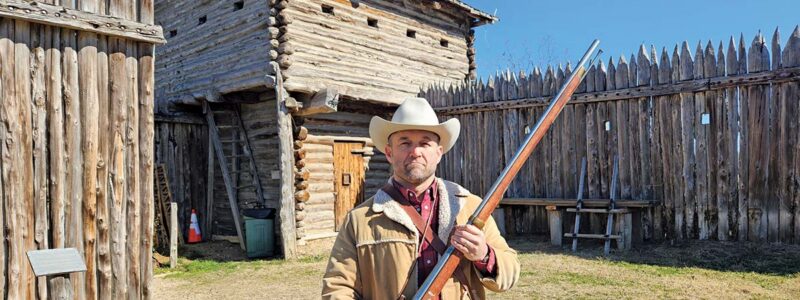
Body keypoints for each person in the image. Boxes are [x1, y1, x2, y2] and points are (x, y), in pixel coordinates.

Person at [322, 97, 520, 299]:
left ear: (439, 153)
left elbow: (510, 270)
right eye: (405, 143)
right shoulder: (359, 220)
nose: (415, 152)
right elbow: (338, 288)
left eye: (424, 143)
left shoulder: (471, 207)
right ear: (389, 153)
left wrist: (483, 254)